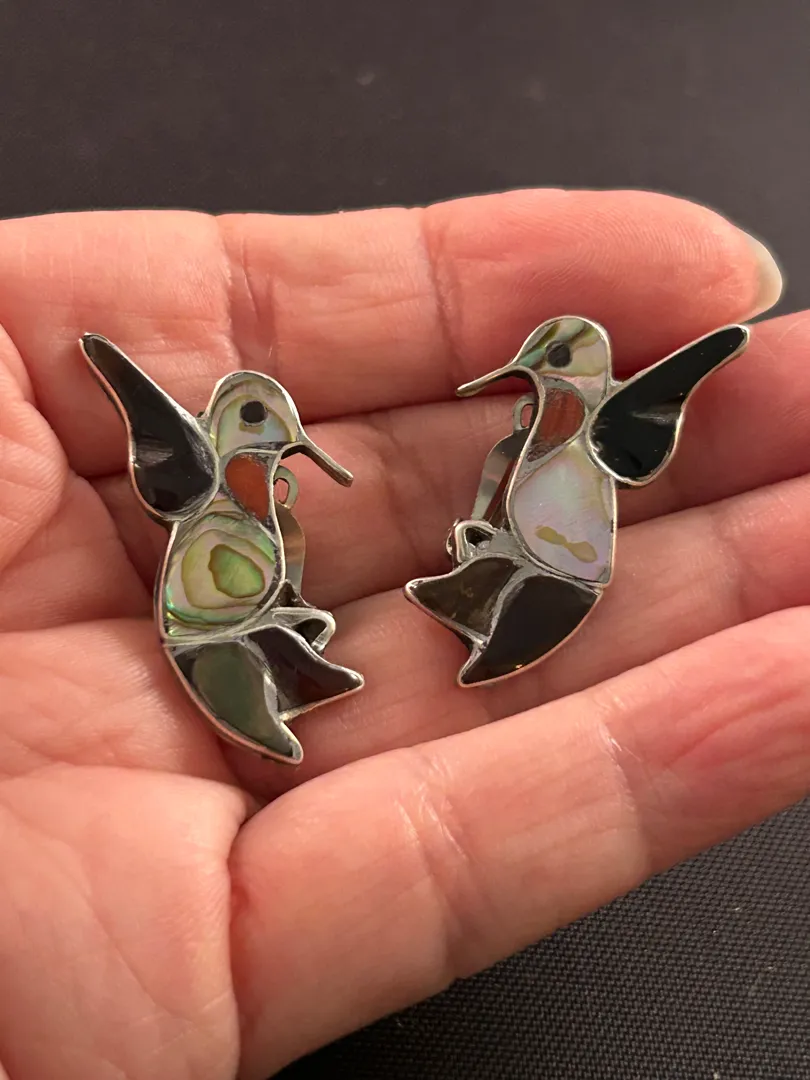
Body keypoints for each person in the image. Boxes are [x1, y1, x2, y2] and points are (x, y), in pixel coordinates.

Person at [0, 188, 799, 1080]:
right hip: (213, 616)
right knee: (308, 627)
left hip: (562, 561)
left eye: (545, 363)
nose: (288, 455)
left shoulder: (588, 434)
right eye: (272, 437)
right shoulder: (202, 483)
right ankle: (309, 670)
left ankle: (365, 649)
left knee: (444, 594)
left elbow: (510, 493)